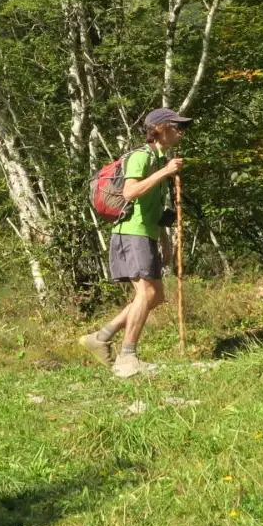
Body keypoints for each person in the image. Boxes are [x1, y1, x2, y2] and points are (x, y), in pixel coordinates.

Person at [79, 107, 190, 378]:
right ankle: (127, 358)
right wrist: (164, 173)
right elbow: (130, 192)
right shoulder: (142, 157)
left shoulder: (159, 158)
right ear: (160, 129)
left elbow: (151, 207)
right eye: (176, 126)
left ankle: (101, 337)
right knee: (147, 294)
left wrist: (164, 240)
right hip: (131, 233)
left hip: (146, 233)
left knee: (156, 295)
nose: (181, 132)